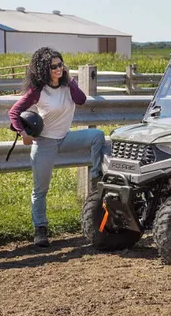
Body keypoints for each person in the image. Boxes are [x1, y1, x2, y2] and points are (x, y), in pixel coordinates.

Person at [8, 47, 106, 247]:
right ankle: (40, 229)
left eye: (60, 64)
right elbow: (14, 112)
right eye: (53, 66)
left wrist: (70, 80)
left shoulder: (68, 86)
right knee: (40, 190)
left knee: (98, 136)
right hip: (44, 143)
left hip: (65, 137)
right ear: (44, 69)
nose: (58, 69)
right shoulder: (38, 91)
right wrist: (23, 134)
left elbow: (82, 100)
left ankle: (96, 177)